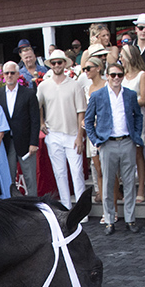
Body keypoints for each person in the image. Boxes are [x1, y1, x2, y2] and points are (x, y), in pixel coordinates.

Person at [85, 61, 143, 234]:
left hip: (127, 141)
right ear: (107, 76)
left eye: (119, 75)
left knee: (129, 182)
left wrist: (136, 135)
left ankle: (130, 219)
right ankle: (109, 220)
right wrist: (96, 140)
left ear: (123, 76)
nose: (116, 78)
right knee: (108, 183)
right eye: (113, 75)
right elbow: (88, 121)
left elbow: (138, 116)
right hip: (107, 142)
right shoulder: (98, 95)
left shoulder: (130, 95)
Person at [37, 49, 87, 206]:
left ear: (65, 63)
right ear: (50, 65)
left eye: (59, 62)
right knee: (60, 174)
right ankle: (66, 207)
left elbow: (81, 112)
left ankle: (81, 208)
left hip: (73, 134)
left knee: (77, 173)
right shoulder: (43, 86)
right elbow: (37, 105)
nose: (57, 65)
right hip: (53, 134)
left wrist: (80, 136)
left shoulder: (75, 85)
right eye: (53, 63)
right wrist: (41, 123)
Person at [0, 61, 41, 196]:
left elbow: (35, 120)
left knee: (30, 178)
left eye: (12, 73)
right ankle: (11, 207)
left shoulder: (29, 94)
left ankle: (33, 208)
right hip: (6, 143)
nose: (9, 76)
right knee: (8, 179)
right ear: (2, 75)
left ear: (18, 74)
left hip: (26, 143)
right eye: (6, 73)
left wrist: (33, 143)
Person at [121, 44, 145, 203]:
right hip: (123, 120)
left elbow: (144, 99)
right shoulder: (122, 77)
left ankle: (141, 188)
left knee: (139, 153)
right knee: (126, 155)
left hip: (138, 117)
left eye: (123, 55)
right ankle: (128, 188)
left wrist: (126, 102)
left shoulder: (142, 75)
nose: (121, 59)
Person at [81, 56, 107, 206]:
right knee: (97, 167)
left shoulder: (106, 84)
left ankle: (111, 198)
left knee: (107, 167)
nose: (86, 72)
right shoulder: (87, 88)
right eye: (84, 69)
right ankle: (102, 195)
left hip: (105, 130)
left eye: (88, 68)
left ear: (98, 68)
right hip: (92, 131)